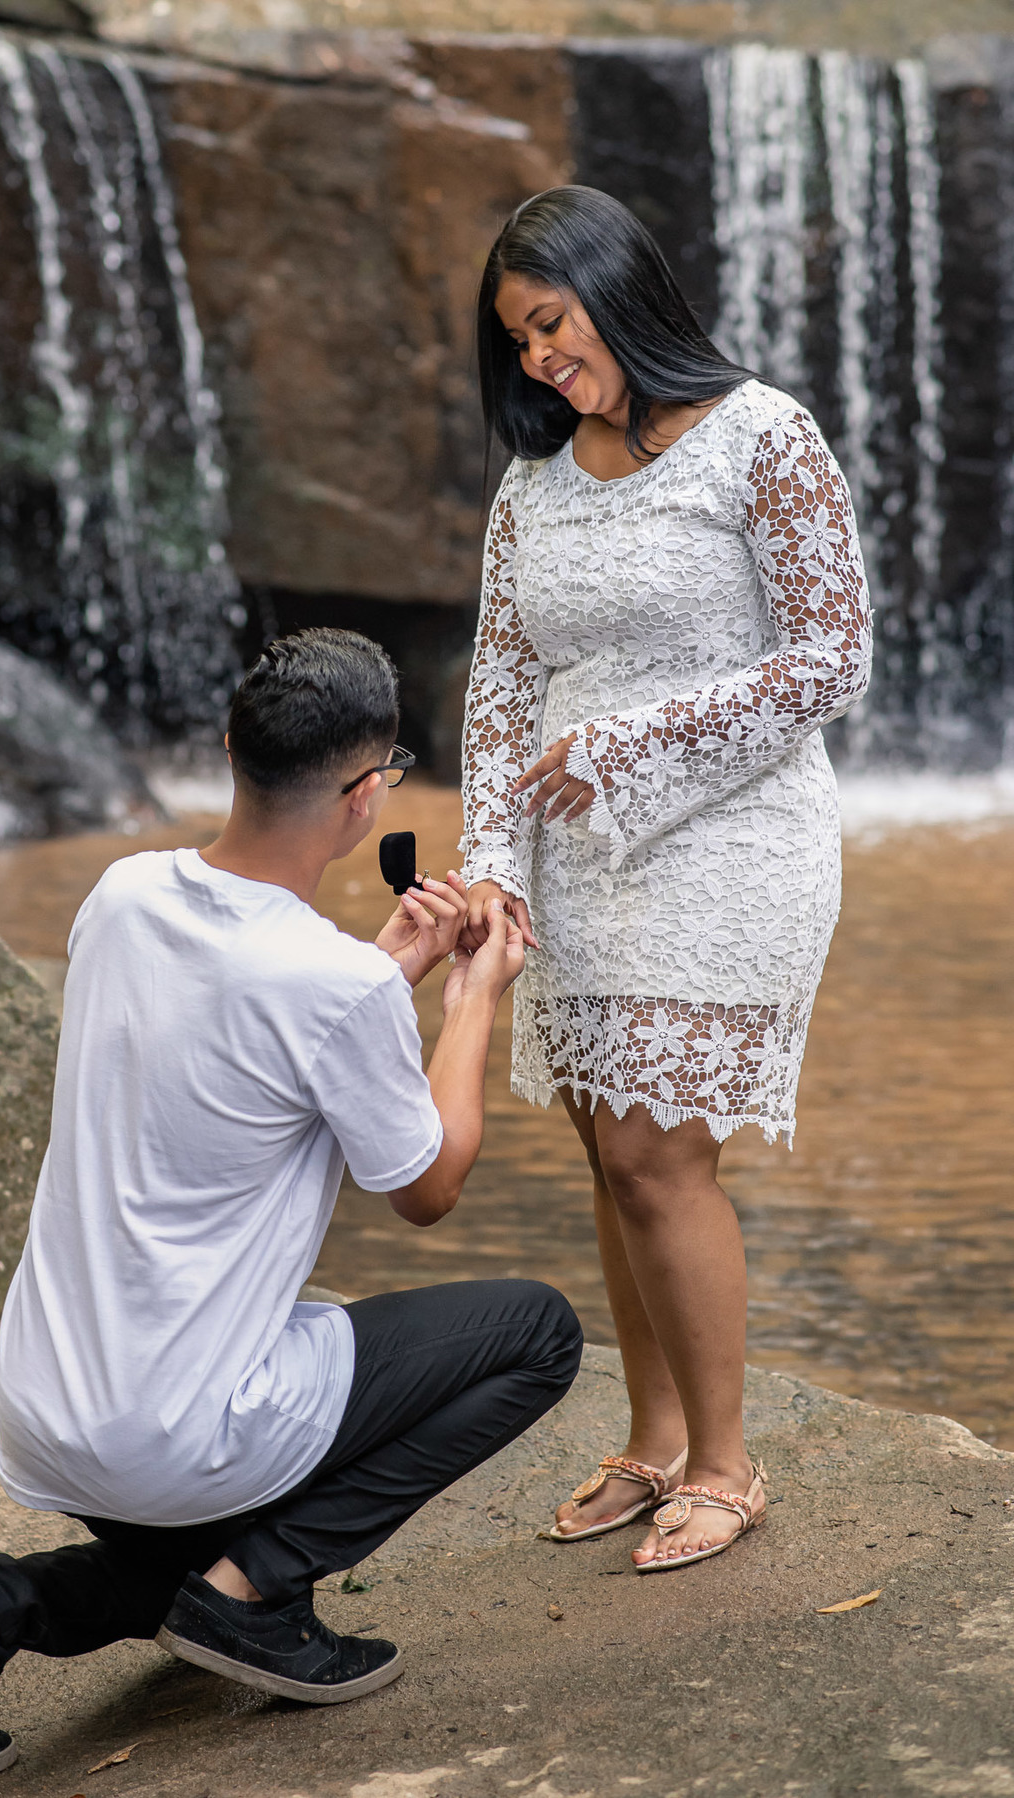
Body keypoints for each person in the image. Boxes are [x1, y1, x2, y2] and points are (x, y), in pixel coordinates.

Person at [0, 627, 583, 1779]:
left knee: (191, 1549)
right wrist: (467, 998)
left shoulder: (120, 893)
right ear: (364, 796)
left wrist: (380, 970)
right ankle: (255, 1596)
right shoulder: (328, 984)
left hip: (54, 1414)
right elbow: (430, 1186)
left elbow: (234, 1029)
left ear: (228, 750)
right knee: (536, 1334)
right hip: (178, 1436)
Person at [460, 186, 872, 1573]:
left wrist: (632, 740)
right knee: (603, 1140)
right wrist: (490, 870)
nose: (534, 358)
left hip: (736, 831)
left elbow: (831, 659)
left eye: (549, 323)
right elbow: (503, 689)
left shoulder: (765, 437)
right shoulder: (534, 482)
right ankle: (648, 1438)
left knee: (656, 1145)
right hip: (574, 849)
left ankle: (727, 1462)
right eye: (515, 338)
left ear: (616, 289)